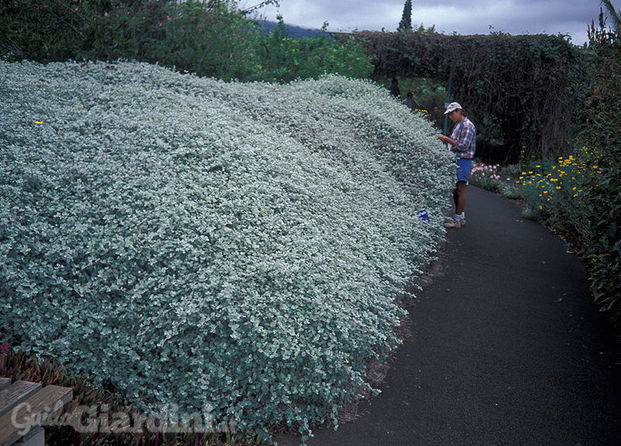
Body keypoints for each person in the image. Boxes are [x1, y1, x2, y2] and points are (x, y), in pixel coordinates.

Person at [437, 102, 476, 228]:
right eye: (449, 114)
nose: (450, 116)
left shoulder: (468, 126)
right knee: (456, 190)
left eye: (452, 113)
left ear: (459, 111)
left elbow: (463, 146)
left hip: (463, 160)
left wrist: (446, 139)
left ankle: (457, 220)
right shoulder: (458, 125)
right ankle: (460, 216)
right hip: (456, 159)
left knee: (461, 188)